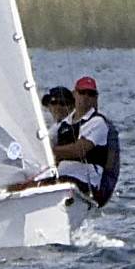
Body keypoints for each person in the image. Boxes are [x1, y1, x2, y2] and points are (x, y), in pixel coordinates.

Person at [51, 76, 119, 205]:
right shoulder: (62, 125)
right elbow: (45, 143)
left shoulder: (98, 122)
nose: (86, 97)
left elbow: (79, 150)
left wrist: (49, 151)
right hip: (62, 176)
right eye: (82, 92)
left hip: (85, 181)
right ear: (74, 94)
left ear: (96, 98)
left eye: (91, 94)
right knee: (24, 184)